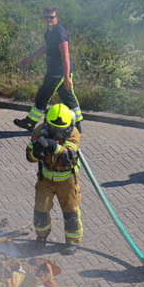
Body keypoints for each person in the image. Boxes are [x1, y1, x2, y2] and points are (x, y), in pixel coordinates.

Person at [14, 6, 83, 132]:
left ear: (57, 18)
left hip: (58, 71)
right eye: (46, 17)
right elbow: (45, 48)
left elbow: (66, 55)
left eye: (51, 17)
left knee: (43, 94)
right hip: (55, 70)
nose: (49, 20)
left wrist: (67, 77)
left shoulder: (60, 33)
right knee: (67, 95)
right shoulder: (49, 32)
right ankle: (78, 124)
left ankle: (30, 122)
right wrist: (30, 58)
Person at [26, 104, 82, 256]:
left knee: (70, 213)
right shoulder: (39, 131)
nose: (57, 133)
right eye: (53, 129)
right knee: (40, 211)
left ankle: (72, 242)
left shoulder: (74, 132)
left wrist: (53, 146)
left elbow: (68, 155)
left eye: (60, 130)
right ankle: (41, 236)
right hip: (45, 179)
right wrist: (37, 152)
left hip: (67, 181)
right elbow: (29, 156)